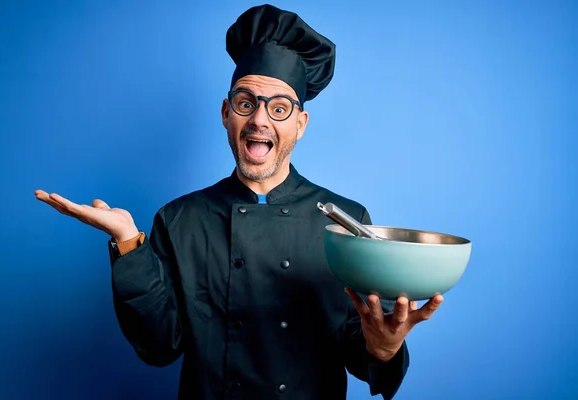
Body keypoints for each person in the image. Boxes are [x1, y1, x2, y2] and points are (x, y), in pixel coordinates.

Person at [35, 4, 443, 399]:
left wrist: (384, 347)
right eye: (247, 103)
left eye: (280, 108)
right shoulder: (180, 219)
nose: (260, 120)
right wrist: (127, 243)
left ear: (300, 125)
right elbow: (159, 347)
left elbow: (367, 344)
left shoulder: (348, 219)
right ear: (227, 113)